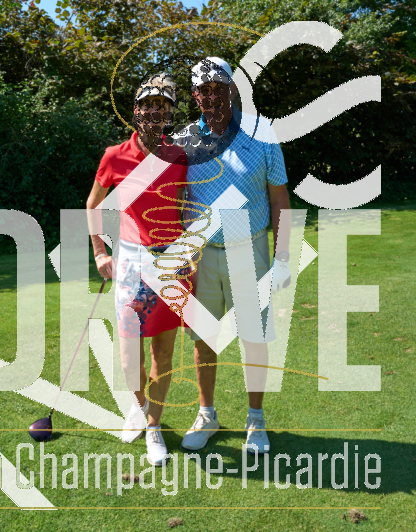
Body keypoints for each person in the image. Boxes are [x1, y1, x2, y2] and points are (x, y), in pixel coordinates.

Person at [177, 57, 292, 455]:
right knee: (203, 338)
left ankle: (255, 420)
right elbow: (176, 198)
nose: (212, 96)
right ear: (195, 96)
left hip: (249, 248)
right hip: (201, 254)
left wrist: (282, 256)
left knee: (253, 338)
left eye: (218, 87)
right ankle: (207, 414)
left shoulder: (262, 132)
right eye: (204, 90)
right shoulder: (185, 140)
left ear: (231, 89)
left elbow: (279, 198)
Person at [85, 74, 188, 466]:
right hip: (130, 259)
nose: (154, 112)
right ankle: (138, 405)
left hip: (171, 261)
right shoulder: (115, 156)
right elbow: (93, 204)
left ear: (169, 114)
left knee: (163, 351)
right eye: (148, 105)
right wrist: (100, 252)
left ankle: (154, 426)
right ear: (135, 110)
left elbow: (188, 206)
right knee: (130, 354)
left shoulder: (179, 156)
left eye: (162, 106)